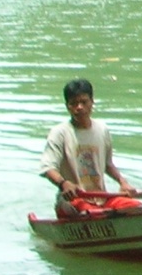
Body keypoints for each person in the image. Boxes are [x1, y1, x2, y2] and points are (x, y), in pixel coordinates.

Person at [42, 78, 136, 216]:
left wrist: (123, 182)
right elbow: (48, 168)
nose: (79, 107)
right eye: (74, 103)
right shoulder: (59, 133)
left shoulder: (102, 130)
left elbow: (108, 164)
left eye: (84, 102)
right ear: (67, 106)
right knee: (93, 215)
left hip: (101, 199)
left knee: (136, 207)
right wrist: (64, 184)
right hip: (72, 200)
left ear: (92, 102)